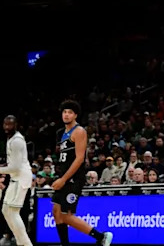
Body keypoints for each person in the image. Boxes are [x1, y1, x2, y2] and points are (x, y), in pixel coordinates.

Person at [50, 101, 112, 246]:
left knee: (66, 215)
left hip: (73, 178)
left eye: (70, 112)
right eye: (64, 112)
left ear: (76, 115)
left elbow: (79, 159)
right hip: (65, 176)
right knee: (56, 211)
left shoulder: (79, 131)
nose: (66, 114)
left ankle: (101, 237)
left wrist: (64, 179)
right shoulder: (63, 133)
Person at [0, 116, 33, 246]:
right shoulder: (11, 139)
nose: (7, 127)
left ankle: (26, 244)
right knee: (6, 210)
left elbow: (16, 167)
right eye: (5, 124)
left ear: (16, 125)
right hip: (15, 177)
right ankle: (21, 241)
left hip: (21, 177)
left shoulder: (17, 141)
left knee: (13, 212)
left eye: (10, 125)